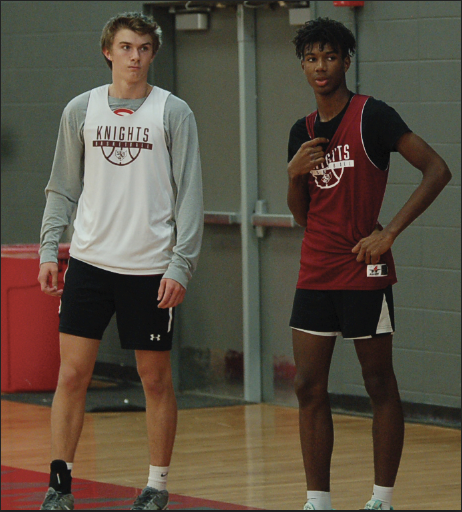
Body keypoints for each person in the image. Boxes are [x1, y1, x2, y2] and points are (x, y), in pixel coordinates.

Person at [37, 12, 203, 511]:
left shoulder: (174, 113)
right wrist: (50, 248)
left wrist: (181, 264)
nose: (135, 57)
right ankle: (60, 485)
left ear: (154, 54)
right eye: (126, 47)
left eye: (144, 49)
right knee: (71, 375)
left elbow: (189, 195)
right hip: (89, 264)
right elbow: (62, 187)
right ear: (109, 51)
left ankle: (156, 485)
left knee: (155, 379)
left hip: (150, 269)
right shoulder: (80, 110)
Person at [287, 17, 451, 511]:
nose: (321, 66)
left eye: (330, 56)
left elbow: (437, 169)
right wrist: (293, 174)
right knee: (307, 385)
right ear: (303, 65)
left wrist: (391, 231)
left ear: (347, 61)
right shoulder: (303, 131)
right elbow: (301, 216)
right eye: (312, 58)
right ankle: (317, 501)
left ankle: (381, 500)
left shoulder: (373, 116)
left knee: (378, 382)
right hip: (315, 271)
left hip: (364, 271)